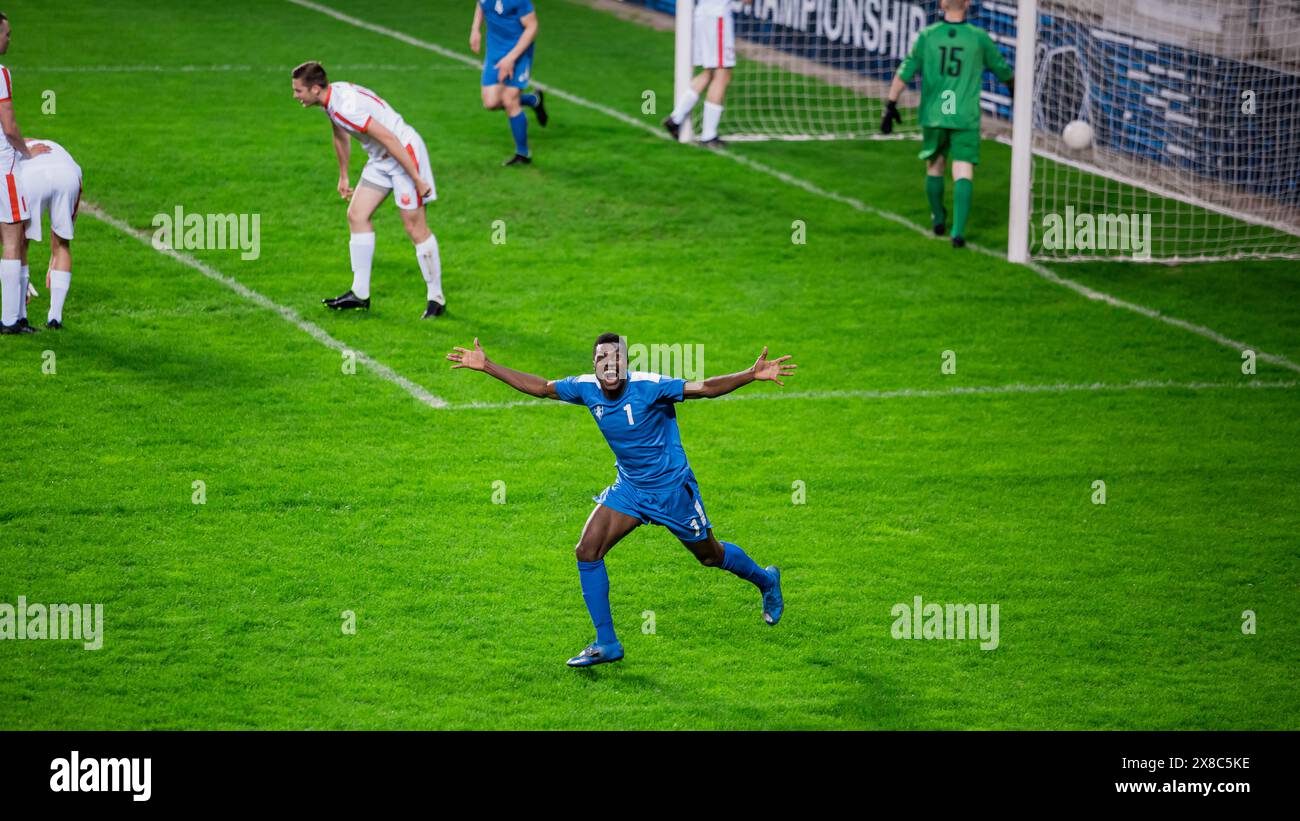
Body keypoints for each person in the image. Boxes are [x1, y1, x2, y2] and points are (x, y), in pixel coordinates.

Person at [447, 333, 796, 667]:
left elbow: (704, 388)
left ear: (626, 363)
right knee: (587, 550)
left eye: (615, 358)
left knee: (710, 556)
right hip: (630, 490)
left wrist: (751, 374)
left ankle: (766, 580)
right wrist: (489, 365)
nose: (608, 365)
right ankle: (607, 643)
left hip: (673, 491)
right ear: (594, 364)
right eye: (601, 358)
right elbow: (542, 388)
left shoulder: (650, 386)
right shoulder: (586, 388)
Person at [291, 61, 446, 318]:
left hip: (403, 154)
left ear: (315, 89)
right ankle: (360, 294)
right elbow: (339, 134)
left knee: (414, 227)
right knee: (357, 215)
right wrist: (343, 174)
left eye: (298, 91)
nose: (295, 96)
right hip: (381, 159)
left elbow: (389, 138)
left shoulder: (346, 108)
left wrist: (416, 178)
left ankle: (436, 298)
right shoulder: (332, 100)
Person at [882, 0, 1014, 248]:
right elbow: (1004, 72)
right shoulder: (978, 38)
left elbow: (905, 71)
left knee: (935, 166)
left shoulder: (928, 36)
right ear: (968, 3)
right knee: (963, 169)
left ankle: (939, 217)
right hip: (964, 114)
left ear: (942, 4)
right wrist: (1016, 93)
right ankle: (958, 232)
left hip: (936, 113)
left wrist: (890, 105)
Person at [663, 0, 754, 148]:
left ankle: (675, 119)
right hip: (717, 17)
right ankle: (708, 136)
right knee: (722, 74)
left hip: (703, 14)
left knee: (710, 72)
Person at [470, 0, 548, 166]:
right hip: (495, 50)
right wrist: (475, 29)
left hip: (519, 51)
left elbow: (532, 27)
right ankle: (533, 100)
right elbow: (481, 3)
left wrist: (511, 58)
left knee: (509, 99)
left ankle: (523, 154)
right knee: (490, 103)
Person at [19, 137, 81, 329]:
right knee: (62, 245)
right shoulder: (59, 151)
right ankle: (55, 318)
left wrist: (16, 277)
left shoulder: (9, 154)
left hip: (31, 177)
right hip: (68, 176)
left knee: (18, 244)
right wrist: (52, 261)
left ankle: (19, 315)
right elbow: (61, 238)